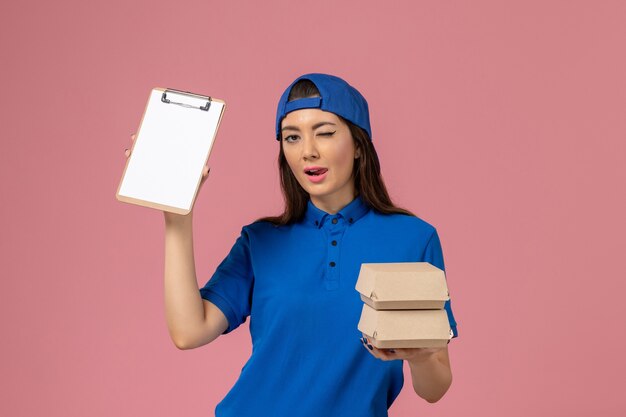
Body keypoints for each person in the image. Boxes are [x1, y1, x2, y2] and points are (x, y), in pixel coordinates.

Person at [126, 73, 458, 416]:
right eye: (292, 137)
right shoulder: (261, 241)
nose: (308, 152)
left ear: (359, 145)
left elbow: (435, 388)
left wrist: (419, 355)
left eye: (325, 133)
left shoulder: (414, 239)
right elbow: (188, 331)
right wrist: (177, 216)